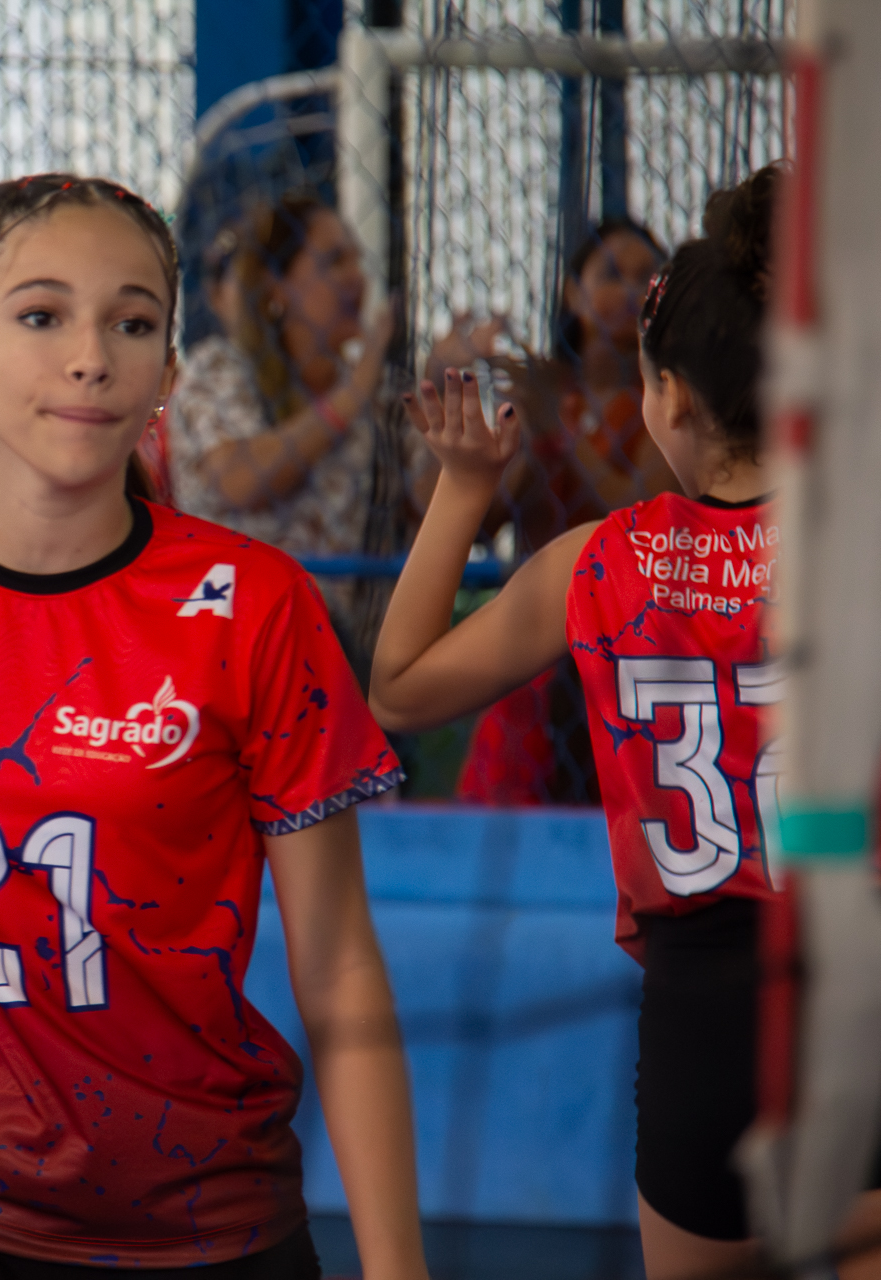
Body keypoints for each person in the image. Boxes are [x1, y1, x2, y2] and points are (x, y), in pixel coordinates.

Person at [0, 175, 428, 1278]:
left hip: (204, 1217)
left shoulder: (256, 604)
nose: (90, 357)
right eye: (42, 316)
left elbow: (337, 967)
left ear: (168, 372)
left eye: (131, 323)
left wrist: (398, 1267)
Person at [368, 165, 881, 1279]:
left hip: (698, 1021)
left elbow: (396, 688)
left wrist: (464, 488)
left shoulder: (600, 564)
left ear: (671, 400)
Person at [450, 217, 672, 807]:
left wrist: (562, 432)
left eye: (647, 277)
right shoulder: (548, 390)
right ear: (573, 293)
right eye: (612, 274)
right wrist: (520, 434)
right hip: (540, 635)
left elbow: (638, 510)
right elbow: (488, 520)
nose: (631, 290)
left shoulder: (667, 397)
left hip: (634, 632)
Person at [166, 191, 433, 665]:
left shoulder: (381, 391)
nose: (356, 277)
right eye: (333, 261)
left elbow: (434, 509)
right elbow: (241, 480)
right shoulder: (221, 371)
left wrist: (445, 404)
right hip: (232, 644)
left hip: (346, 658)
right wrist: (349, 399)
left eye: (357, 260)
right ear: (278, 287)